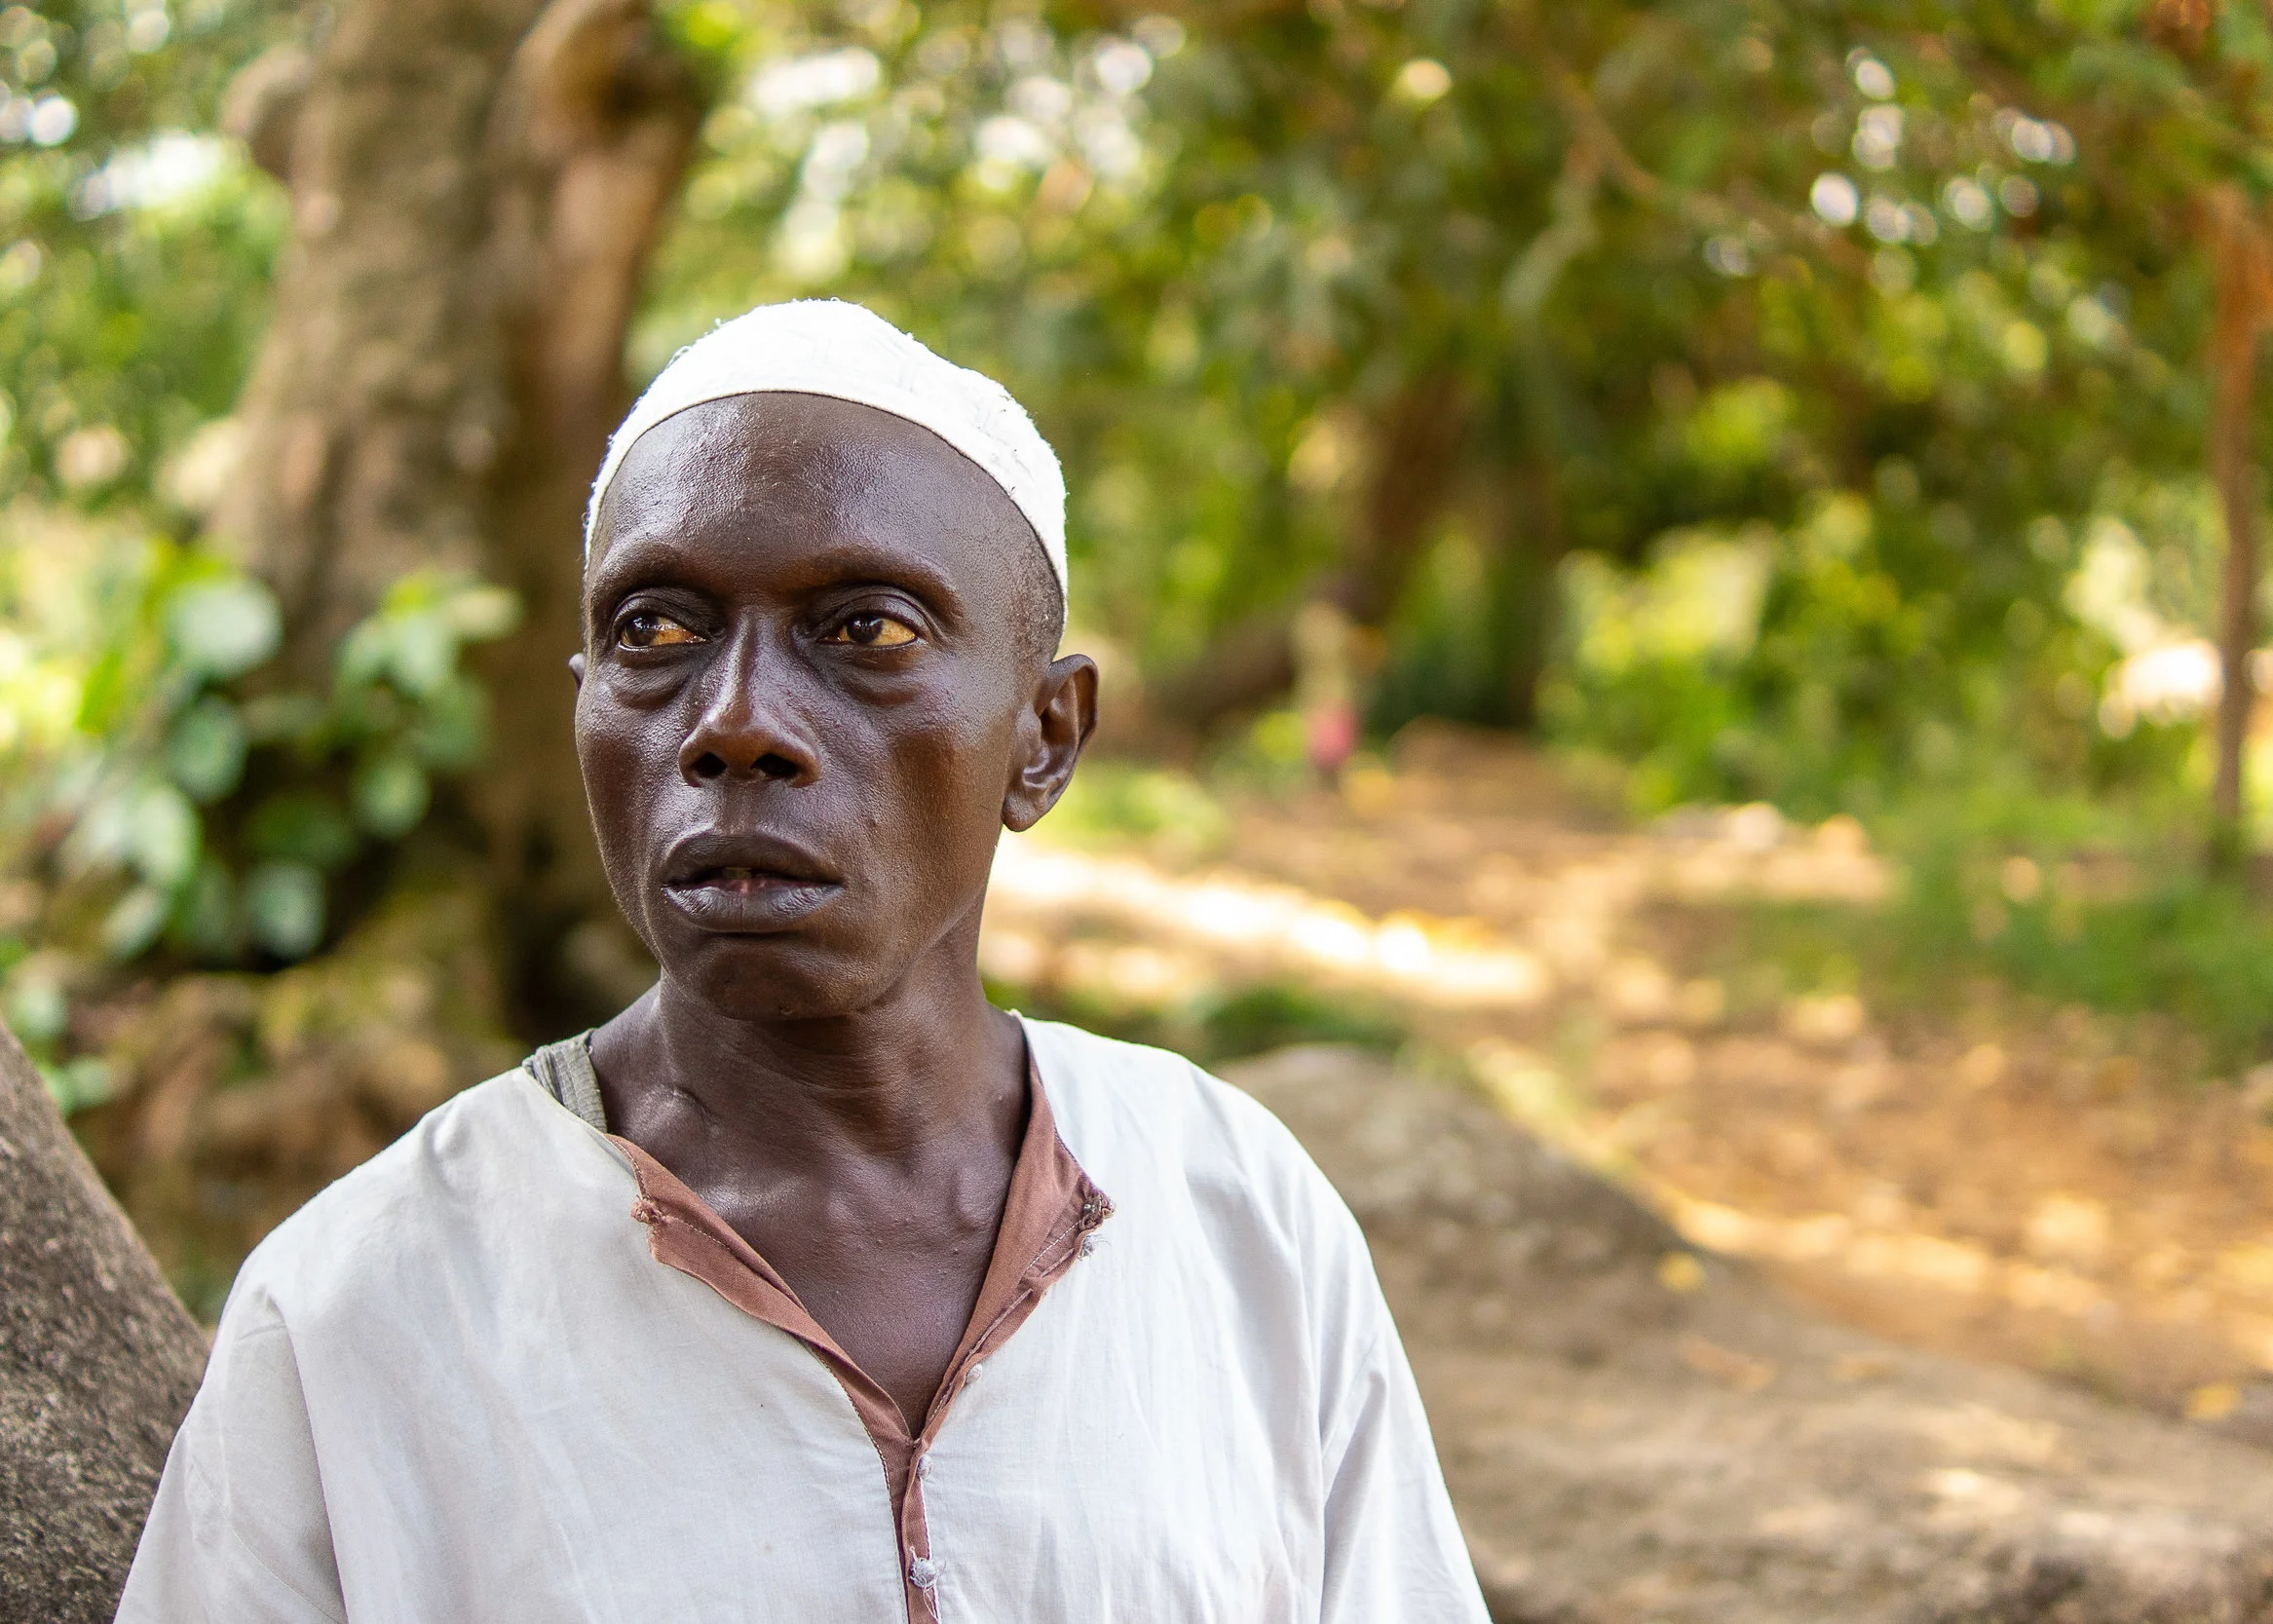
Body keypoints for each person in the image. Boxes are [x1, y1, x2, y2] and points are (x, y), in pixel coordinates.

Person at [117, 301, 1491, 1624]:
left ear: (1046, 738)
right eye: (656, 629)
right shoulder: (362, 1304)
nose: (734, 723)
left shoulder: (1234, 1215)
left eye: (867, 630)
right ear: (582, 705)